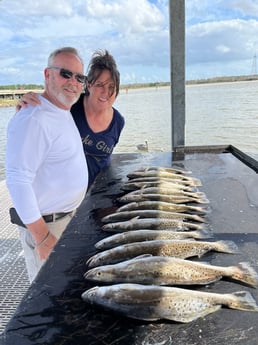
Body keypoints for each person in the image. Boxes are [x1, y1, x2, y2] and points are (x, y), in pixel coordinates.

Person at [5, 47, 89, 283]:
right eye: (65, 73)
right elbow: (17, 179)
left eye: (79, 77)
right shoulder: (34, 116)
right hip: (47, 227)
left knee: (65, 289)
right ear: (48, 74)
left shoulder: (60, 109)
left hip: (65, 220)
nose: (73, 82)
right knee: (49, 295)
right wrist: (42, 238)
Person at [18, 50, 125, 188]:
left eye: (111, 86)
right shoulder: (69, 106)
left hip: (97, 190)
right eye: (100, 85)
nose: (106, 92)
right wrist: (27, 104)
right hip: (60, 191)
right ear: (89, 85)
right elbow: (48, 103)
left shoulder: (118, 122)